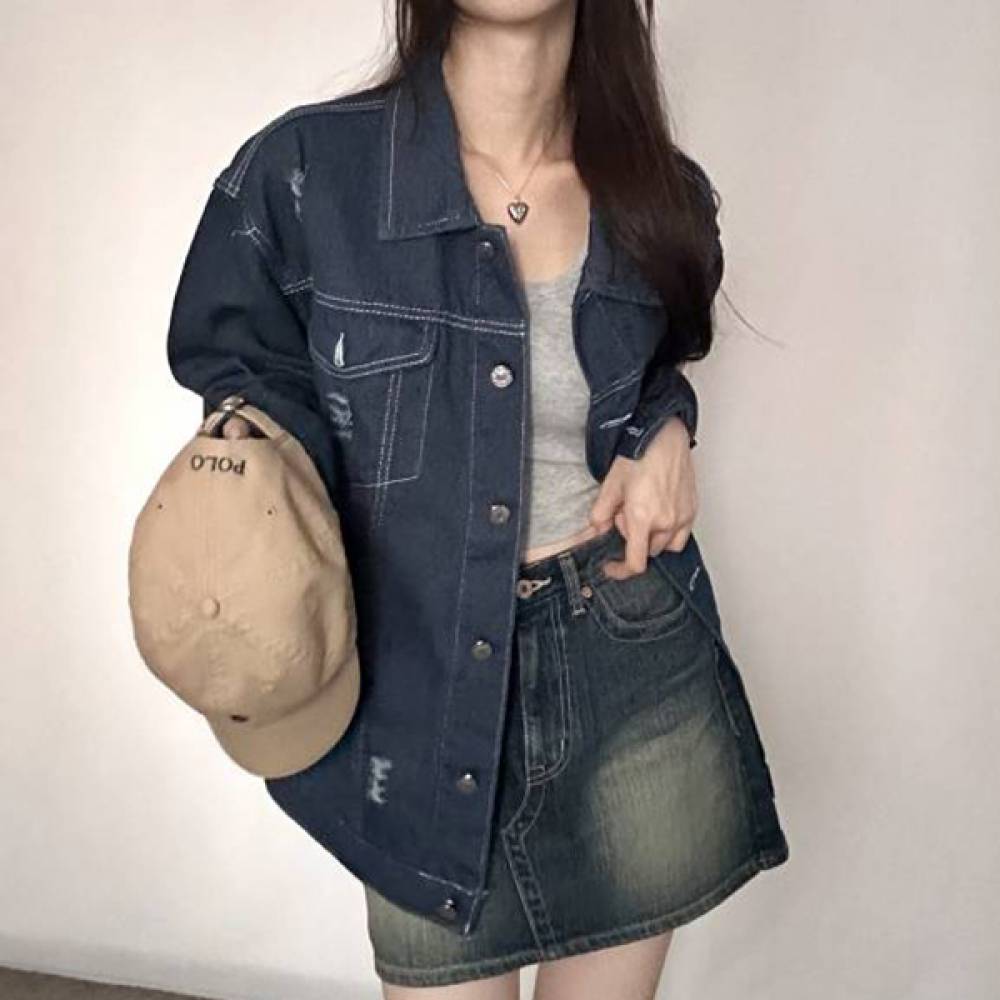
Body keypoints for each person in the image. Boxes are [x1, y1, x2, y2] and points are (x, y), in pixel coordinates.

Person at [167, 1, 790, 997]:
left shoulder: (663, 194)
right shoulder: (306, 173)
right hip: (419, 696)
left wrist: (665, 425)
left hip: (632, 674)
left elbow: (655, 362)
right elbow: (243, 373)